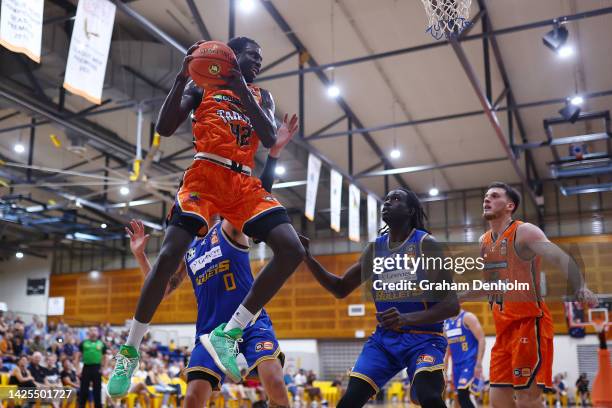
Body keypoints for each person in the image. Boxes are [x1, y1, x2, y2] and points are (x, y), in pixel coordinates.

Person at [107, 36, 306, 396]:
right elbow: (164, 128)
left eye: (261, 57)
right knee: (168, 256)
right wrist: (183, 76)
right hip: (205, 174)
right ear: (231, 55)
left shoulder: (262, 96)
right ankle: (129, 351)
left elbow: (265, 133)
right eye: (253, 55)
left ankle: (230, 332)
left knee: (292, 250)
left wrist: (239, 84)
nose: (259, 61)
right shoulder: (202, 89)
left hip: (242, 181)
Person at [115, 115, 297, 407]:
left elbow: (259, 195)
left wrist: (273, 155)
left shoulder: (228, 228)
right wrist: (139, 255)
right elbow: (162, 288)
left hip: (249, 325)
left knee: (274, 382)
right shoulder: (187, 249)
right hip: (209, 333)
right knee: (192, 399)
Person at [300, 188, 460, 407]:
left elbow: (451, 306)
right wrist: (307, 258)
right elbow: (340, 288)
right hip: (385, 340)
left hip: (425, 338)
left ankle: (425, 381)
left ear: (410, 210)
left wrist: (406, 319)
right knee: (348, 401)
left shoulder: (426, 244)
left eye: (395, 199)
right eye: (386, 199)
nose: (387, 203)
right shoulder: (375, 249)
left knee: (430, 397)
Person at [478, 182, 598, 407]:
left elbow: (561, 258)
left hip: (529, 324)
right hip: (503, 331)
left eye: (494, 196)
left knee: (527, 399)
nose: (487, 199)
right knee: (498, 401)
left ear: (509, 206)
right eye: (485, 196)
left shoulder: (524, 232)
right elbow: (490, 286)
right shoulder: (483, 242)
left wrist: (580, 286)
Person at [444, 309, 485, 408]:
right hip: (456, 366)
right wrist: (444, 370)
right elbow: (447, 349)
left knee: (463, 395)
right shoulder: (446, 324)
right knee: (458, 398)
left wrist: (479, 363)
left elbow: (481, 339)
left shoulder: (467, 317)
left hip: (470, 363)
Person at [78, 327, 106, 408]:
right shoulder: (83, 343)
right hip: (86, 367)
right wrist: (78, 369)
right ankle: (81, 405)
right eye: (92, 330)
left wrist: (104, 368)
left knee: (97, 389)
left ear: (98, 333)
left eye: (95, 330)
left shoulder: (101, 344)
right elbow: (77, 356)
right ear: (89, 333)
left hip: (97, 368)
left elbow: (105, 357)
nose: (94, 332)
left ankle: (98, 406)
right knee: (84, 389)